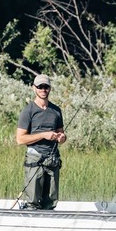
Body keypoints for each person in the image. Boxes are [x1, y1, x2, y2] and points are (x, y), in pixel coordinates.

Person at [16, 74, 67, 210]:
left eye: (46, 86)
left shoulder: (56, 111)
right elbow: (20, 139)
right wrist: (44, 135)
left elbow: (61, 134)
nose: (43, 89)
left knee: (51, 201)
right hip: (35, 158)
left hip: (53, 159)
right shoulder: (28, 111)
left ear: (49, 89)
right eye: (40, 87)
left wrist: (62, 138)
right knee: (33, 201)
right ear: (34, 88)